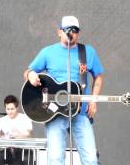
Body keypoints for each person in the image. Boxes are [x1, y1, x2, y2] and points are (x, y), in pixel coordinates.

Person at [23, 15, 103, 165]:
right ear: (59, 31)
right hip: (55, 113)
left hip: (80, 111)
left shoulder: (87, 52)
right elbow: (28, 71)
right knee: (55, 159)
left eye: (75, 30)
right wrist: (31, 75)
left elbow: (98, 77)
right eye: (67, 29)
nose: (71, 33)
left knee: (91, 159)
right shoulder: (47, 52)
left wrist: (94, 99)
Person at [0, 95, 33, 165]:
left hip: (22, 150)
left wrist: (18, 135)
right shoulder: (2, 120)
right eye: (8, 109)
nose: (10, 111)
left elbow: (28, 134)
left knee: (23, 161)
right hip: (7, 150)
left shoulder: (24, 118)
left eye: (12, 109)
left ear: (17, 108)